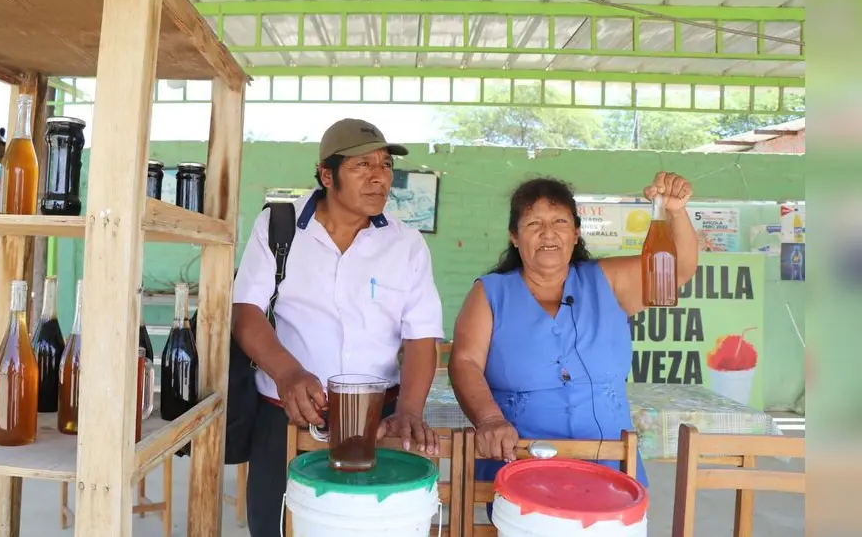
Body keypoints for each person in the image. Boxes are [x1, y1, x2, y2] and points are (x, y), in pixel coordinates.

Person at [232, 118, 444, 537]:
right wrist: (288, 373)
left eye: (385, 165)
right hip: (286, 415)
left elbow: (421, 336)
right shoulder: (279, 227)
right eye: (362, 165)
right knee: (277, 524)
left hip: (379, 420)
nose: (379, 177)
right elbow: (246, 313)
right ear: (327, 175)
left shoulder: (406, 244)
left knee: (371, 526)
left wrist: (409, 411)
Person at [449, 172, 697, 501]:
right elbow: (465, 361)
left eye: (560, 221)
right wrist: (490, 419)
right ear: (514, 236)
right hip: (519, 462)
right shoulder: (491, 293)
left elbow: (678, 270)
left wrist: (675, 211)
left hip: (609, 462)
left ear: (576, 233)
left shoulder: (607, 280)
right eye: (533, 223)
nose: (548, 233)